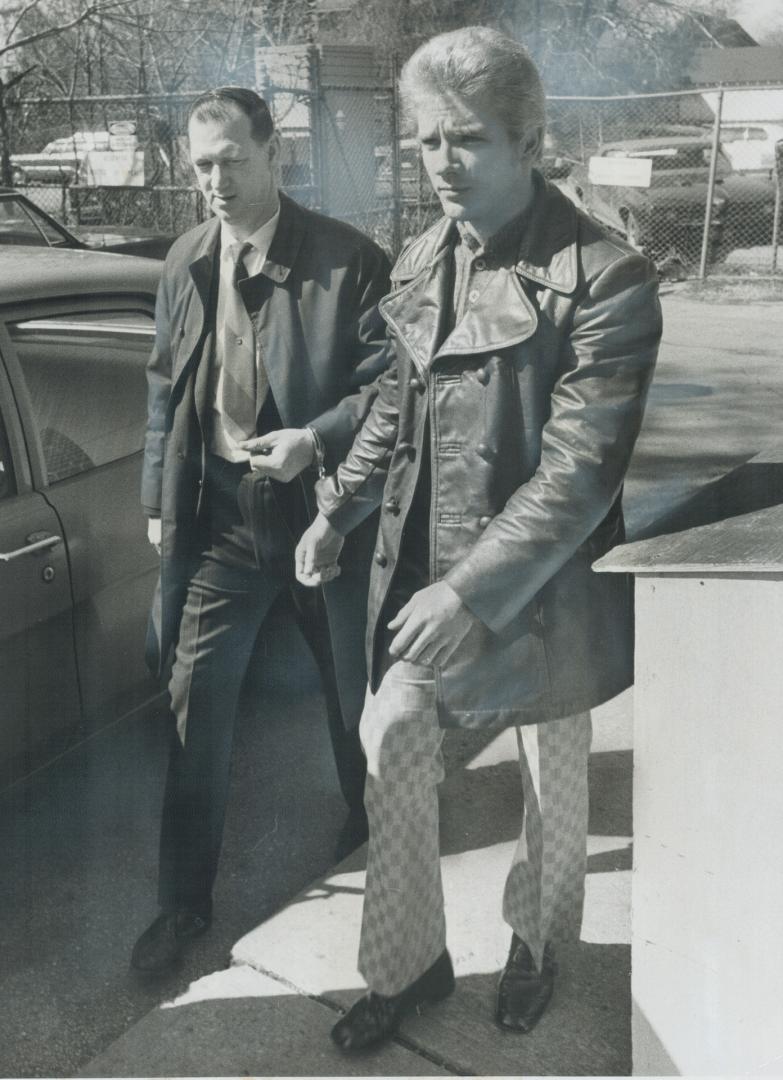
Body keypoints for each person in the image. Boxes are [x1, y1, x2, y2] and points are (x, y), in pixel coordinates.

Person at [295, 26, 662, 1049]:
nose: (443, 166)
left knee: (554, 790)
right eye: (426, 144)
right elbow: (390, 409)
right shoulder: (421, 258)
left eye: (467, 142)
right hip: (429, 582)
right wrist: (338, 511)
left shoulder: (606, 276)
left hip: (545, 597)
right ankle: (409, 966)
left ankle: (537, 952)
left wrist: (468, 591)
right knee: (391, 739)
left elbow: (581, 473)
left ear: (528, 141)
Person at [132, 86, 391, 974]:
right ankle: (181, 907)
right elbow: (166, 387)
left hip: (326, 520)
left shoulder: (348, 260)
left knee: (352, 696)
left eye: (230, 160)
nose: (214, 180)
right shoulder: (186, 260)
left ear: (272, 153)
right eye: (200, 165)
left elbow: (389, 389)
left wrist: (315, 442)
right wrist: (159, 506)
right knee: (193, 707)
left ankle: (371, 840)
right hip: (220, 530)